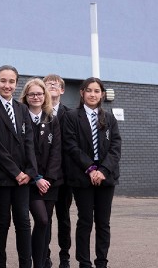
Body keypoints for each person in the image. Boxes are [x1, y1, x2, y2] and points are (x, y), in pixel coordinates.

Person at [62, 78, 121, 268]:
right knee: (85, 220)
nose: (93, 95)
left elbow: (115, 147)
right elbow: (71, 145)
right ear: (82, 93)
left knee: (103, 222)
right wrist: (90, 168)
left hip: (106, 176)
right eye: (89, 91)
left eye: (97, 91)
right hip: (82, 176)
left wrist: (102, 170)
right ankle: (84, 262)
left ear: (102, 94)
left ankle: (102, 262)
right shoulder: (71, 117)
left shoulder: (109, 118)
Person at [0, 65, 37, 268]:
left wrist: (30, 171)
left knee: (23, 222)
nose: (7, 85)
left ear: (16, 83)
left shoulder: (22, 108)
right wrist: (15, 172)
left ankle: (26, 264)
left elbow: (29, 142)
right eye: (3, 81)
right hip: (0, 177)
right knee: (2, 222)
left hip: (23, 178)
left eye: (11, 81)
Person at [19, 78, 62, 268]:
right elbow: (23, 152)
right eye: (32, 94)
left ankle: (42, 262)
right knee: (42, 220)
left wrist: (48, 178)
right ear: (26, 96)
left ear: (45, 96)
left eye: (39, 93)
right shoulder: (21, 118)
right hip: (30, 181)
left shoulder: (52, 119)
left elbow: (56, 151)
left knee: (46, 224)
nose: (36, 97)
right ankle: (34, 262)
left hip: (50, 182)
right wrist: (36, 178)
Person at [43, 74, 71, 268]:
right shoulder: (37, 112)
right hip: (45, 177)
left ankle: (64, 256)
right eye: (48, 83)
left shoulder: (70, 114)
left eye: (56, 84)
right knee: (45, 218)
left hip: (65, 177)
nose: (52, 86)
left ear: (62, 90)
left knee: (64, 218)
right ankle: (44, 255)